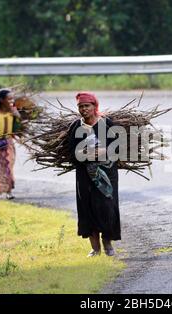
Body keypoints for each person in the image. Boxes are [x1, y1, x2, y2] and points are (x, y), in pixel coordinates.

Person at [67, 92, 120, 257]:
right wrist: (89, 155)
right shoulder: (76, 127)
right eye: (80, 107)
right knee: (87, 208)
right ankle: (95, 248)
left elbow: (116, 149)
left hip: (106, 174)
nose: (83, 109)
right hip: (84, 174)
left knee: (106, 207)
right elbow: (73, 153)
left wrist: (99, 153)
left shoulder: (106, 124)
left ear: (94, 106)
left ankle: (107, 243)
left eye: (86, 106)